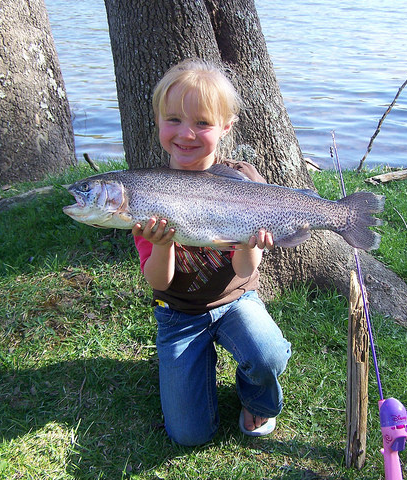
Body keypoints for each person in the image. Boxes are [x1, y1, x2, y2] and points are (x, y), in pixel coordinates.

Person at [132, 58, 292, 446]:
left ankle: (257, 399)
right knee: (189, 435)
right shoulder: (144, 192)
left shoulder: (245, 181)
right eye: (173, 120)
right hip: (178, 315)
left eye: (202, 123)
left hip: (237, 298)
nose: (186, 133)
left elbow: (243, 269)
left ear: (225, 127)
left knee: (268, 353)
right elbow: (158, 280)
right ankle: (194, 366)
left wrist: (251, 245)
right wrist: (163, 244)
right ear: (157, 121)